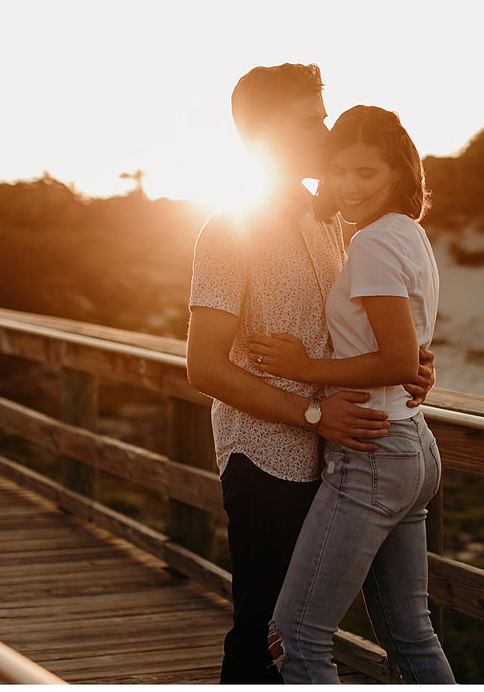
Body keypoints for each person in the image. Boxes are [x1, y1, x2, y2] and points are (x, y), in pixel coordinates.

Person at [186, 64, 435, 684]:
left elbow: (355, 329)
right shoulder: (229, 228)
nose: (326, 132)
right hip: (266, 458)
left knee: (334, 635)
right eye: (310, 121)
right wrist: (312, 413)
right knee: (263, 639)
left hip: (342, 453)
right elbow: (204, 365)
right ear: (264, 133)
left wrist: (409, 363)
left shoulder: (330, 221)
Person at [250, 105, 455, 684]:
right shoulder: (406, 233)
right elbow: (407, 350)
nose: (349, 186)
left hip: (373, 451)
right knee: (411, 636)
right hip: (411, 446)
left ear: (398, 172)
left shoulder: (372, 244)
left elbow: (397, 360)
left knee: (295, 638)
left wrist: (303, 366)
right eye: (338, 170)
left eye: (366, 172)